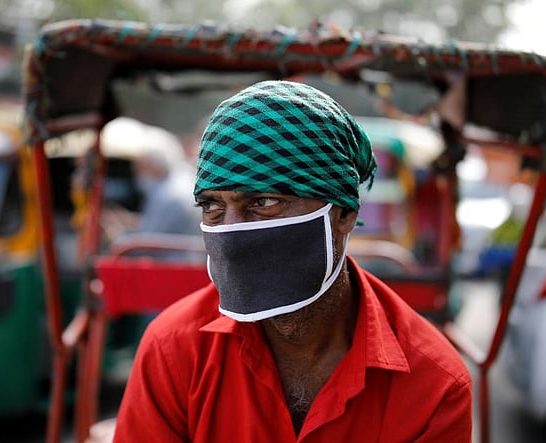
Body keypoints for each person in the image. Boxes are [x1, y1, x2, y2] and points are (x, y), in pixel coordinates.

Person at [111, 81, 472, 442]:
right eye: (212, 206)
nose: (232, 236)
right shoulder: (174, 350)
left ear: (344, 213)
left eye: (264, 201)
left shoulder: (433, 383)